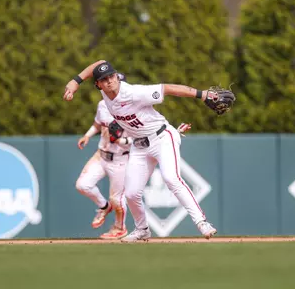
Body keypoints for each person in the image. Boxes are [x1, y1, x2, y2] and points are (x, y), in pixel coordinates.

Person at [64, 60, 220, 242]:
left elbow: (168, 88)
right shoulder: (105, 93)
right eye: (104, 79)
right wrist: (76, 81)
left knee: (171, 178)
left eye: (111, 76)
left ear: (116, 76)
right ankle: (142, 229)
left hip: (162, 137)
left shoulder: (134, 93)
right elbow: (99, 64)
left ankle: (202, 222)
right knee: (131, 193)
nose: (109, 81)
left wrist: (201, 94)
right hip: (139, 145)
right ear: (98, 85)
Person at [75, 73, 130, 240]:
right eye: (106, 83)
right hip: (101, 155)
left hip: (120, 158)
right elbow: (98, 124)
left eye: (114, 83)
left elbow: (140, 137)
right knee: (82, 185)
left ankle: (120, 228)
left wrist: (120, 140)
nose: (110, 86)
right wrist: (87, 135)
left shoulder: (132, 107)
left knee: (117, 199)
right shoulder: (102, 104)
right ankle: (103, 206)